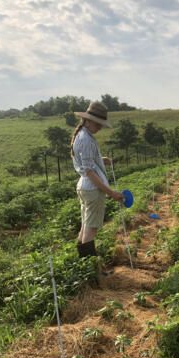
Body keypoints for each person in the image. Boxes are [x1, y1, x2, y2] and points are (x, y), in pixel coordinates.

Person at [71, 101, 123, 260]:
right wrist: (111, 193)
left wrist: (102, 160)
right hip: (93, 189)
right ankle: (92, 269)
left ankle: (84, 267)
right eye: (98, 123)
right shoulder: (86, 139)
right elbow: (90, 172)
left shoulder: (83, 136)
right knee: (90, 230)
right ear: (87, 120)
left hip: (85, 187)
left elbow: (87, 162)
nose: (100, 127)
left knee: (85, 227)